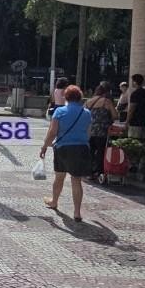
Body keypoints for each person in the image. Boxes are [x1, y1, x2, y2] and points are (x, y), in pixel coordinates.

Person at [39, 84, 92, 222]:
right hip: (81, 148)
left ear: (66, 97)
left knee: (59, 177)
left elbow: (52, 132)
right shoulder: (86, 113)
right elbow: (88, 133)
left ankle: (54, 201)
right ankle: (77, 212)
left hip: (63, 148)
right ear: (80, 97)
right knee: (76, 180)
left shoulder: (60, 111)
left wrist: (45, 146)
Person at [84, 82, 116, 182]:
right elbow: (115, 115)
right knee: (100, 152)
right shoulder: (106, 101)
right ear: (105, 92)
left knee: (90, 151)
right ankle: (99, 172)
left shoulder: (88, 102)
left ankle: (89, 172)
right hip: (102, 131)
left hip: (89, 131)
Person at [125, 74, 145, 141]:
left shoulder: (135, 94)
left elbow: (132, 109)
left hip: (135, 121)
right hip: (144, 120)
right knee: (142, 140)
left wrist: (127, 121)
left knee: (134, 141)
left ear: (135, 82)